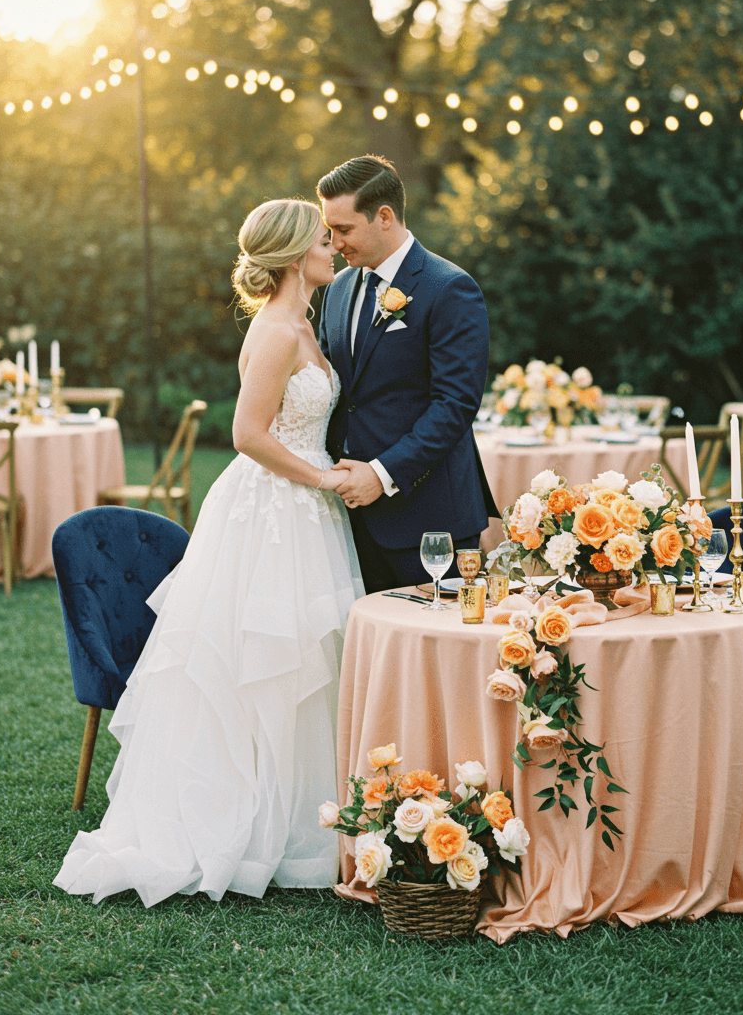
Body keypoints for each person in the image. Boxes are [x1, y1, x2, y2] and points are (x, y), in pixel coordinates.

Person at [54, 200, 364, 907]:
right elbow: (248, 433)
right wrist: (322, 477)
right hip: (276, 507)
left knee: (306, 665)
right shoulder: (281, 330)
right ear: (293, 256)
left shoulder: (305, 323)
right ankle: (252, 825)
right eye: (323, 240)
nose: (333, 249)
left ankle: (298, 821)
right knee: (261, 662)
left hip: (303, 506)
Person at [317, 154, 498, 592]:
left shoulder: (449, 287)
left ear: (383, 217)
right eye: (330, 232)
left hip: (431, 523)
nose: (335, 244)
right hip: (348, 521)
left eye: (344, 230)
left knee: (443, 656)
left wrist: (380, 474)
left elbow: (455, 405)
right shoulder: (339, 289)